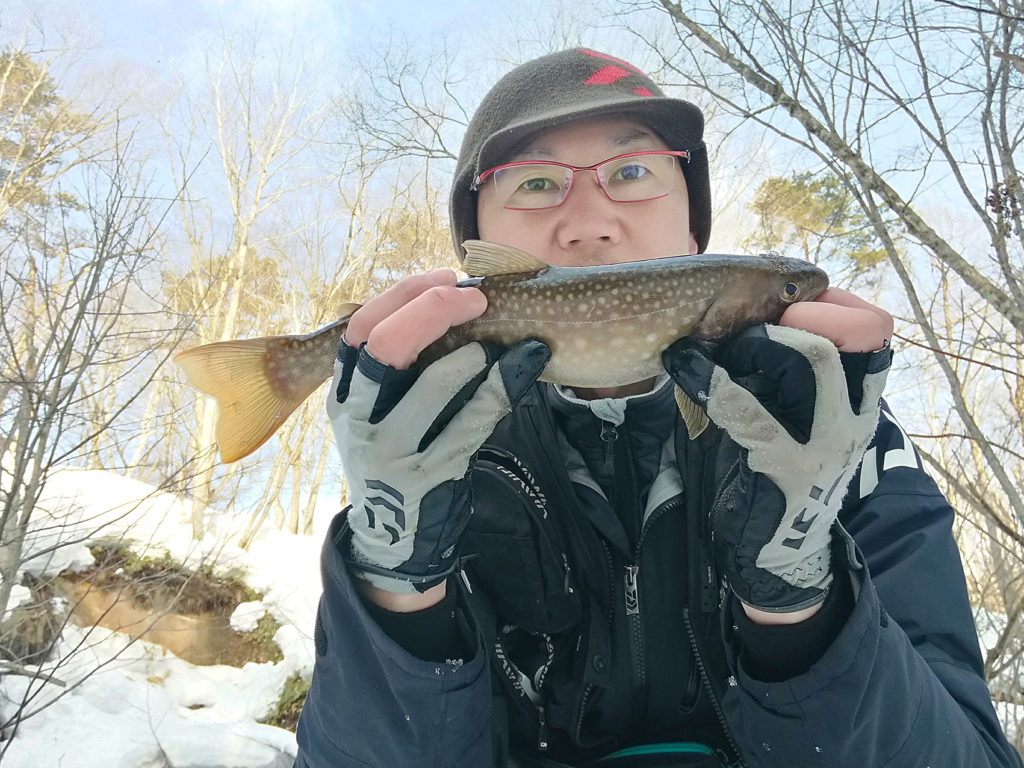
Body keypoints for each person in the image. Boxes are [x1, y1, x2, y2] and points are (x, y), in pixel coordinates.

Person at [294, 48, 1023, 768]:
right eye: (536, 182)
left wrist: (798, 601)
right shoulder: (417, 455)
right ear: (476, 249)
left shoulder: (843, 442)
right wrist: (396, 584)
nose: (588, 222)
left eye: (632, 172)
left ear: (695, 238)